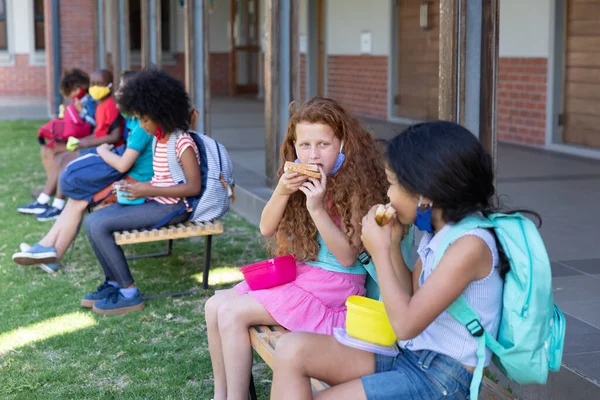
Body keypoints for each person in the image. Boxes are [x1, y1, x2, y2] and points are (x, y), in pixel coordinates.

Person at [267, 121, 526, 400]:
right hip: (411, 354)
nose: (387, 195)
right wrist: (390, 246)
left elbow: (404, 324)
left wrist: (378, 252)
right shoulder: (438, 231)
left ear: (423, 193)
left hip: (442, 378)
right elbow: (411, 295)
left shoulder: (470, 245)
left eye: (392, 184)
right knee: (291, 348)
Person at [205, 97, 390, 400]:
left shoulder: (358, 186)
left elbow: (346, 257)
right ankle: (221, 395)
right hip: (308, 278)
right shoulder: (302, 176)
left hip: (336, 289)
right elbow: (265, 227)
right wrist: (282, 189)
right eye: (304, 145)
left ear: (342, 143)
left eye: (323, 144)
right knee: (214, 305)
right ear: (293, 146)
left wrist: (317, 209)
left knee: (232, 313)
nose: (313, 154)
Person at [79, 69, 201, 315]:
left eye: (144, 119)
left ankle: (129, 293)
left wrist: (146, 188)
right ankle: (113, 282)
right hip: (156, 200)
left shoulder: (182, 142)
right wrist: (134, 188)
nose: (141, 125)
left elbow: (193, 187)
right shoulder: (158, 138)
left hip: (174, 207)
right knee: (92, 220)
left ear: (162, 114)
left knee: (101, 226)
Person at [12, 71, 153, 274]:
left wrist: (103, 151)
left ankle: (49, 251)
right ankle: (47, 249)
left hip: (133, 185)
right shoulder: (134, 121)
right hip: (127, 177)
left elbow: (123, 165)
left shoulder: (142, 125)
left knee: (79, 197)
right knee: (78, 197)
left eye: (122, 91)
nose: (117, 94)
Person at [18, 69, 123, 221]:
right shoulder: (100, 106)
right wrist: (82, 141)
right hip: (96, 146)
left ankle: (58, 206)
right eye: (93, 84)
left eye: (99, 84)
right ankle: (43, 201)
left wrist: (85, 142)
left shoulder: (110, 105)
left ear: (110, 85)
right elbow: (98, 132)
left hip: (108, 151)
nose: (94, 87)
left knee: (66, 161)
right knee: (61, 158)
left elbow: (115, 136)